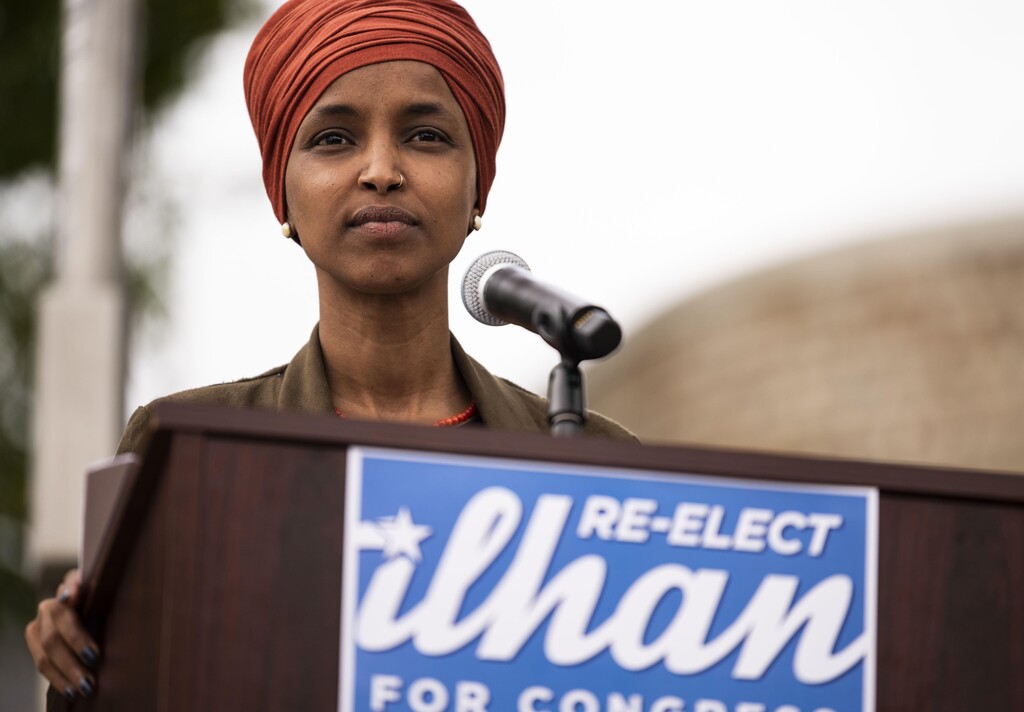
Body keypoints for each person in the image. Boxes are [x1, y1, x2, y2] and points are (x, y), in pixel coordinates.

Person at [25, 0, 636, 702]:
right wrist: (79, 660)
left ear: (478, 188)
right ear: (281, 194)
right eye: (334, 139)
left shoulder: (593, 455)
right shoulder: (185, 452)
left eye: (427, 135)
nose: (381, 170)